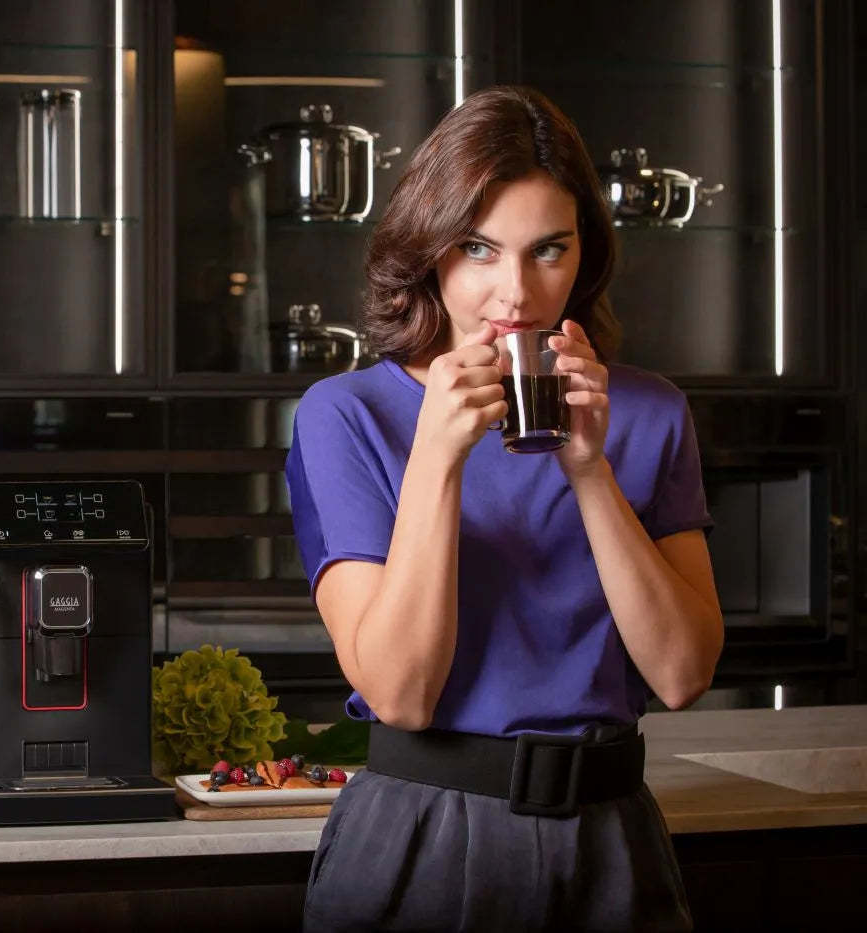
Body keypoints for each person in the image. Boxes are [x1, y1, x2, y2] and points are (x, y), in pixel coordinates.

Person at [286, 85, 722, 931]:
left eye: (547, 249)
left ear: (585, 252)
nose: (515, 293)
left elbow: (681, 675)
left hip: (614, 837)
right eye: (479, 249)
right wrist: (436, 458)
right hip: (423, 830)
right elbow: (402, 693)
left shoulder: (651, 413)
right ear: (431, 251)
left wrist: (589, 470)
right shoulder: (345, 415)